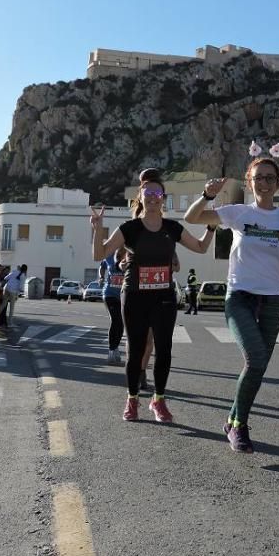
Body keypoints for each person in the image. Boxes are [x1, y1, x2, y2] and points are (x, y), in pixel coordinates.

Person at [185, 157, 279, 452]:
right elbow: (192, 218)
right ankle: (239, 427)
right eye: (258, 177)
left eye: (270, 178)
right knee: (256, 360)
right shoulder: (238, 213)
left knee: (258, 366)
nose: (264, 183)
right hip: (239, 297)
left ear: (277, 183)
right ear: (249, 182)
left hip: (273, 299)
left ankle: (233, 419)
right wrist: (207, 196)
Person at [93, 168, 214, 424]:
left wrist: (212, 228)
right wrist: (98, 227)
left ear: (163, 198)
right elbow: (99, 253)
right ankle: (132, 399)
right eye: (148, 192)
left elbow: (201, 247)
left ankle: (158, 400)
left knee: (165, 349)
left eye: (157, 192)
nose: (153, 197)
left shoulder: (172, 227)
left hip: (164, 297)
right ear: (141, 196)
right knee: (136, 351)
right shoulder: (130, 228)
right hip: (135, 296)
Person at [100, 250, 126, 365]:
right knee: (115, 319)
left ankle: (115, 348)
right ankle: (111, 351)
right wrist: (101, 276)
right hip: (109, 293)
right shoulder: (108, 255)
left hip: (124, 294)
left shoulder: (129, 255)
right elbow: (102, 267)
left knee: (121, 323)